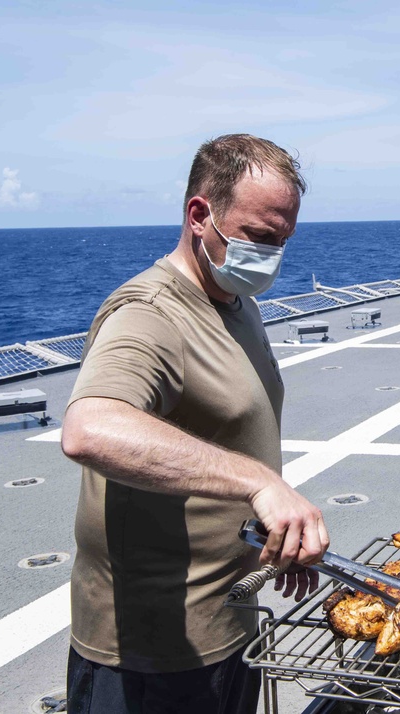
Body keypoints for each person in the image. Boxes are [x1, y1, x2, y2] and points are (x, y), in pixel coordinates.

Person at [60, 134, 329, 713]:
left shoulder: (236, 302)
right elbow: (90, 428)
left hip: (228, 628)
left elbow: (221, 438)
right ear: (199, 214)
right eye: (259, 236)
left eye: (283, 240)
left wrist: (267, 540)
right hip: (148, 659)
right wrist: (260, 484)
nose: (272, 256)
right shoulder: (150, 314)